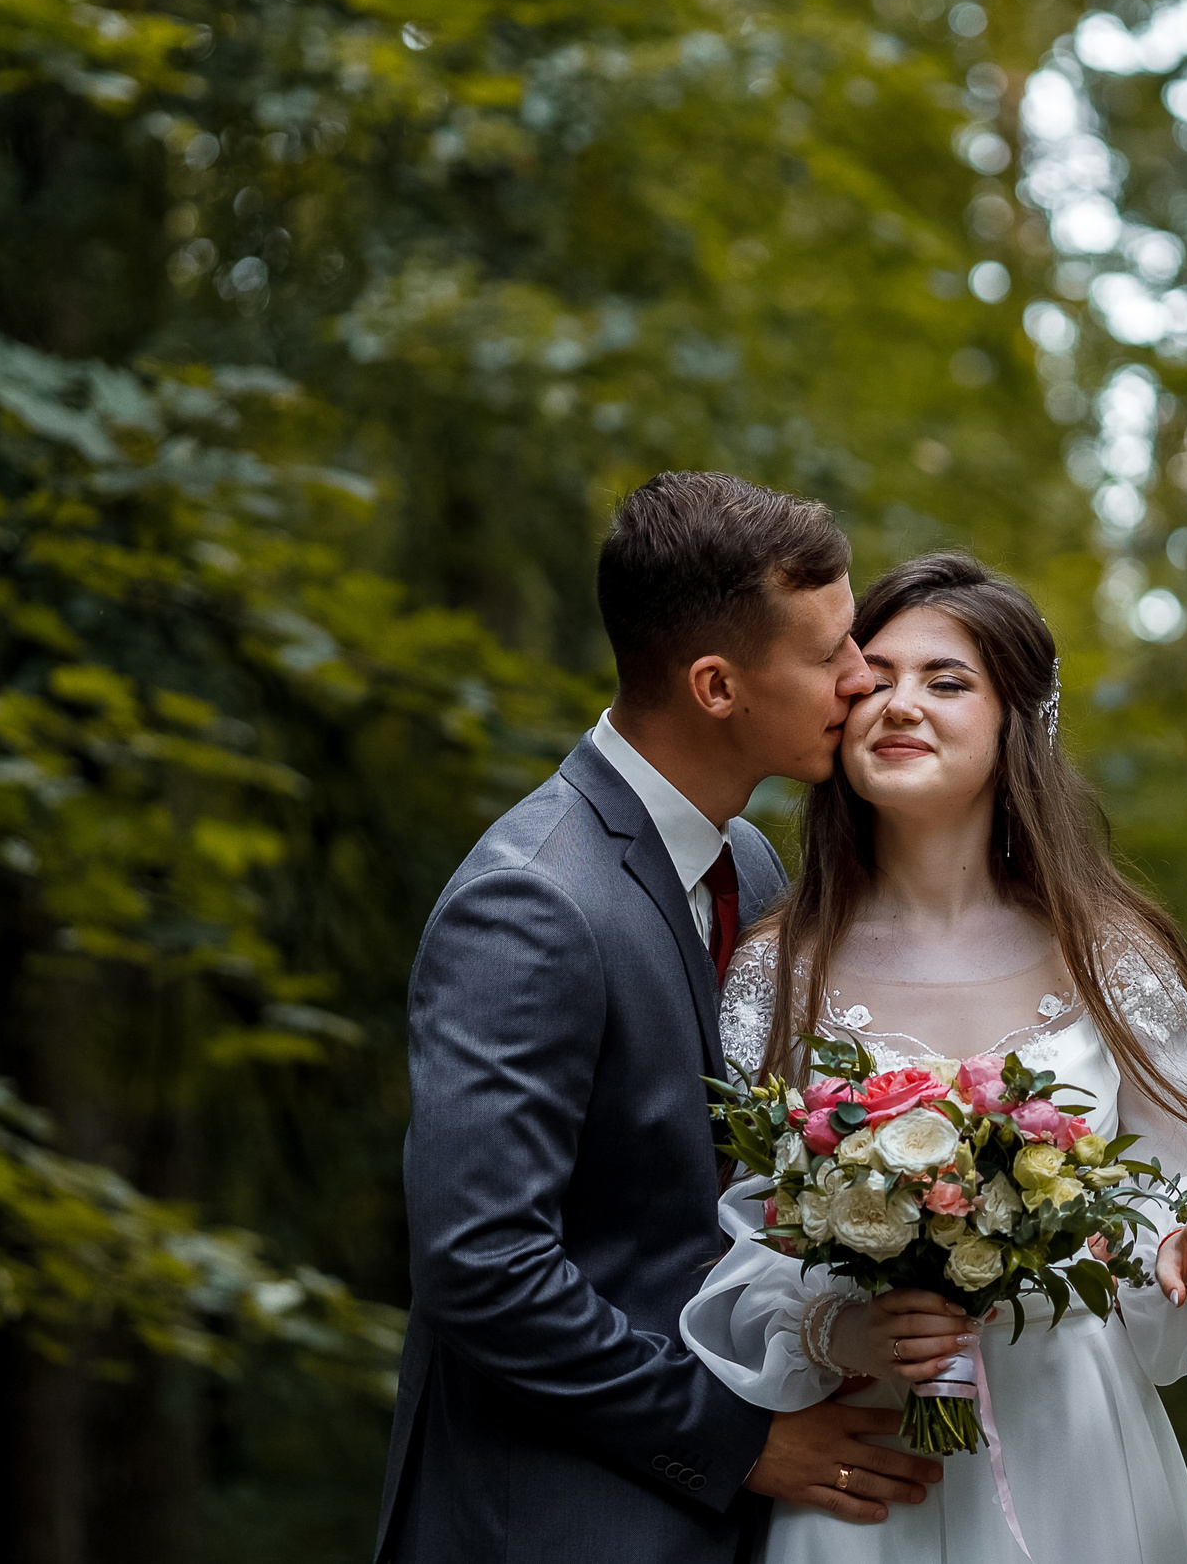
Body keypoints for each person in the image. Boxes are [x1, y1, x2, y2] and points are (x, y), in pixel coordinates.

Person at [680, 550, 1187, 1563]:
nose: (898, 703)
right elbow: (745, 1225)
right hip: (869, 1464)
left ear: (1018, 723)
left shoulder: (1107, 957)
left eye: (946, 682)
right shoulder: (779, 970)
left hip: (1076, 1445)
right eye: (874, 679)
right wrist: (841, 1331)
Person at [374, 473, 951, 1564]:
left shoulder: (748, 861)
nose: (862, 675)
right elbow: (481, 1267)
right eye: (828, 653)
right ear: (716, 686)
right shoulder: (530, 902)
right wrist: (732, 1441)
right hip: (553, 1518)